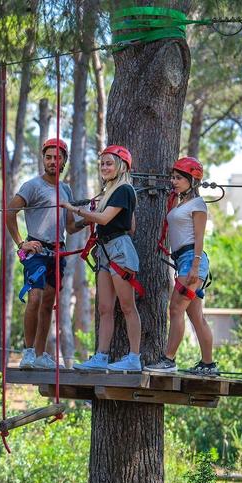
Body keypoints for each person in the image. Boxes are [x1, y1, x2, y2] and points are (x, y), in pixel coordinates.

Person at [62, 145, 143, 372]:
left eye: (109, 163)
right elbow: (132, 225)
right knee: (105, 308)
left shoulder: (123, 190)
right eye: (102, 163)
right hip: (107, 249)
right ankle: (101, 356)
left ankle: (134, 357)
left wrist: (73, 209)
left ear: (121, 166)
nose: (104, 167)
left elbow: (105, 219)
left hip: (118, 250)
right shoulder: (110, 192)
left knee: (128, 307)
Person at [6, 138, 80, 369]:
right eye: (48, 157)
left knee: (48, 303)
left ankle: (40, 354)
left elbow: (69, 227)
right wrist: (21, 243)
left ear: (64, 161)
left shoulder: (65, 189)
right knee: (35, 298)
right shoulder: (32, 186)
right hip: (36, 251)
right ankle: (28, 353)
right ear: (43, 159)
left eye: (57, 158)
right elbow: (10, 212)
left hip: (57, 252)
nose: (52, 161)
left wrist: (89, 220)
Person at [146, 157, 218, 376]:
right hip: (184, 261)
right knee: (196, 316)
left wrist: (195, 266)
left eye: (179, 178)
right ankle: (208, 365)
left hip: (191, 261)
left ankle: (168, 360)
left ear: (192, 180)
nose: (173, 181)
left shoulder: (197, 205)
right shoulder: (181, 202)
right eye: (173, 177)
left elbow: (199, 238)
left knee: (176, 309)